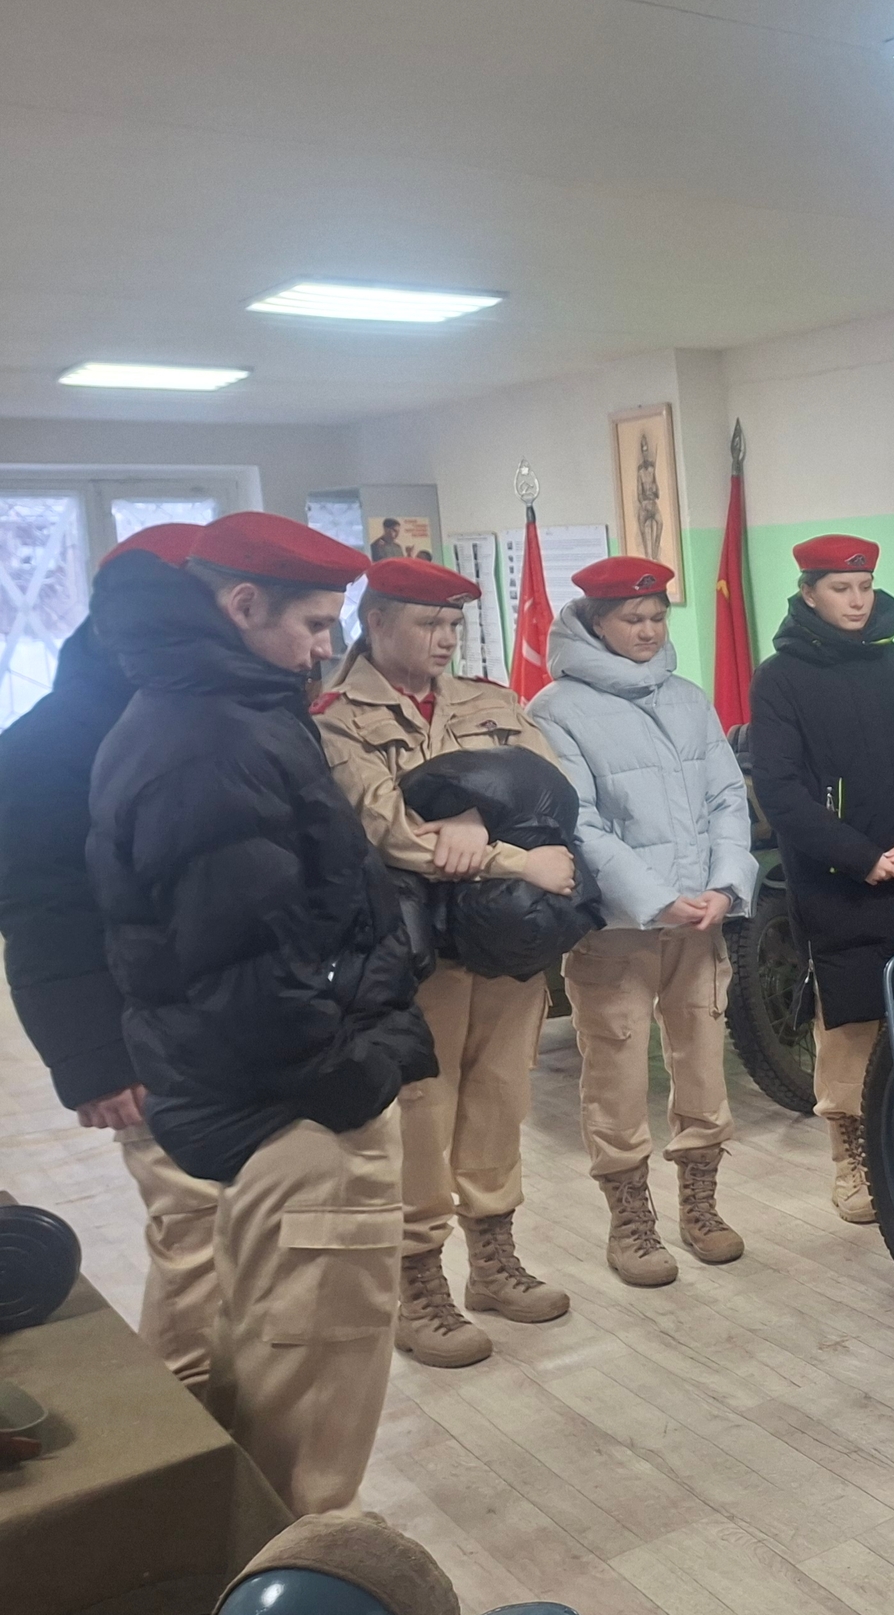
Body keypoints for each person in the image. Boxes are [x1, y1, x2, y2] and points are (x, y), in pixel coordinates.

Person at [87, 511, 434, 1515]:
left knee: (280, 1369)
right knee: (306, 1401)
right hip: (295, 1113)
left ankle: (259, 1559)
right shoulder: (209, 741)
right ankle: (286, 1582)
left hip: (277, 1096)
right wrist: (352, 1075)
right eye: (315, 623)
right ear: (243, 605)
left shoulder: (219, 709)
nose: (327, 646)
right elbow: (247, 969)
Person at [313, 556, 580, 1370]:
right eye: (428, 624)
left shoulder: (490, 702)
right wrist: (513, 857)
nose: (445, 639)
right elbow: (388, 830)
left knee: (500, 1096)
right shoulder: (335, 718)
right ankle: (418, 1283)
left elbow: (549, 795)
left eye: (455, 625)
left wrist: (470, 814)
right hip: (411, 948)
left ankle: (493, 1262)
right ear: (376, 621)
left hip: (502, 943)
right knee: (421, 1112)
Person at [0, 524, 220, 1390]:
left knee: (254, 1241)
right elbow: (41, 914)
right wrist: (94, 1059)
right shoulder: (44, 746)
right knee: (197, 1238)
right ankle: (189, 1432)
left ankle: (243, 1426)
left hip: (238, 1014)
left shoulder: (218, 708)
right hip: (146, 1035)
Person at [527, 556, 758, 1285]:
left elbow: (727, 798)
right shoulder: (555, 709)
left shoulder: (687, 698)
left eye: (658, 617)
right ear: (596, 622)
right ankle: (630, 1219)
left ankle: (701, 1204)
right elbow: (579, 823)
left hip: (700, 921)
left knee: (703, 1060)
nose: (649, 630)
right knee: (617, 1070)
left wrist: (725, 884)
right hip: (616, 927)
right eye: (633, 619)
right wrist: (654, 896)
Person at [748, 535, 894, 1224]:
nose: (858, 600)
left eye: (864, 586)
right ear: (809, 593)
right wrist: (860, 856)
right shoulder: (780, 677)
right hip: (836, 880)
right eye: (841, 589)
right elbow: (780, 790)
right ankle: (854, 1160)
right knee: (850, 1023)